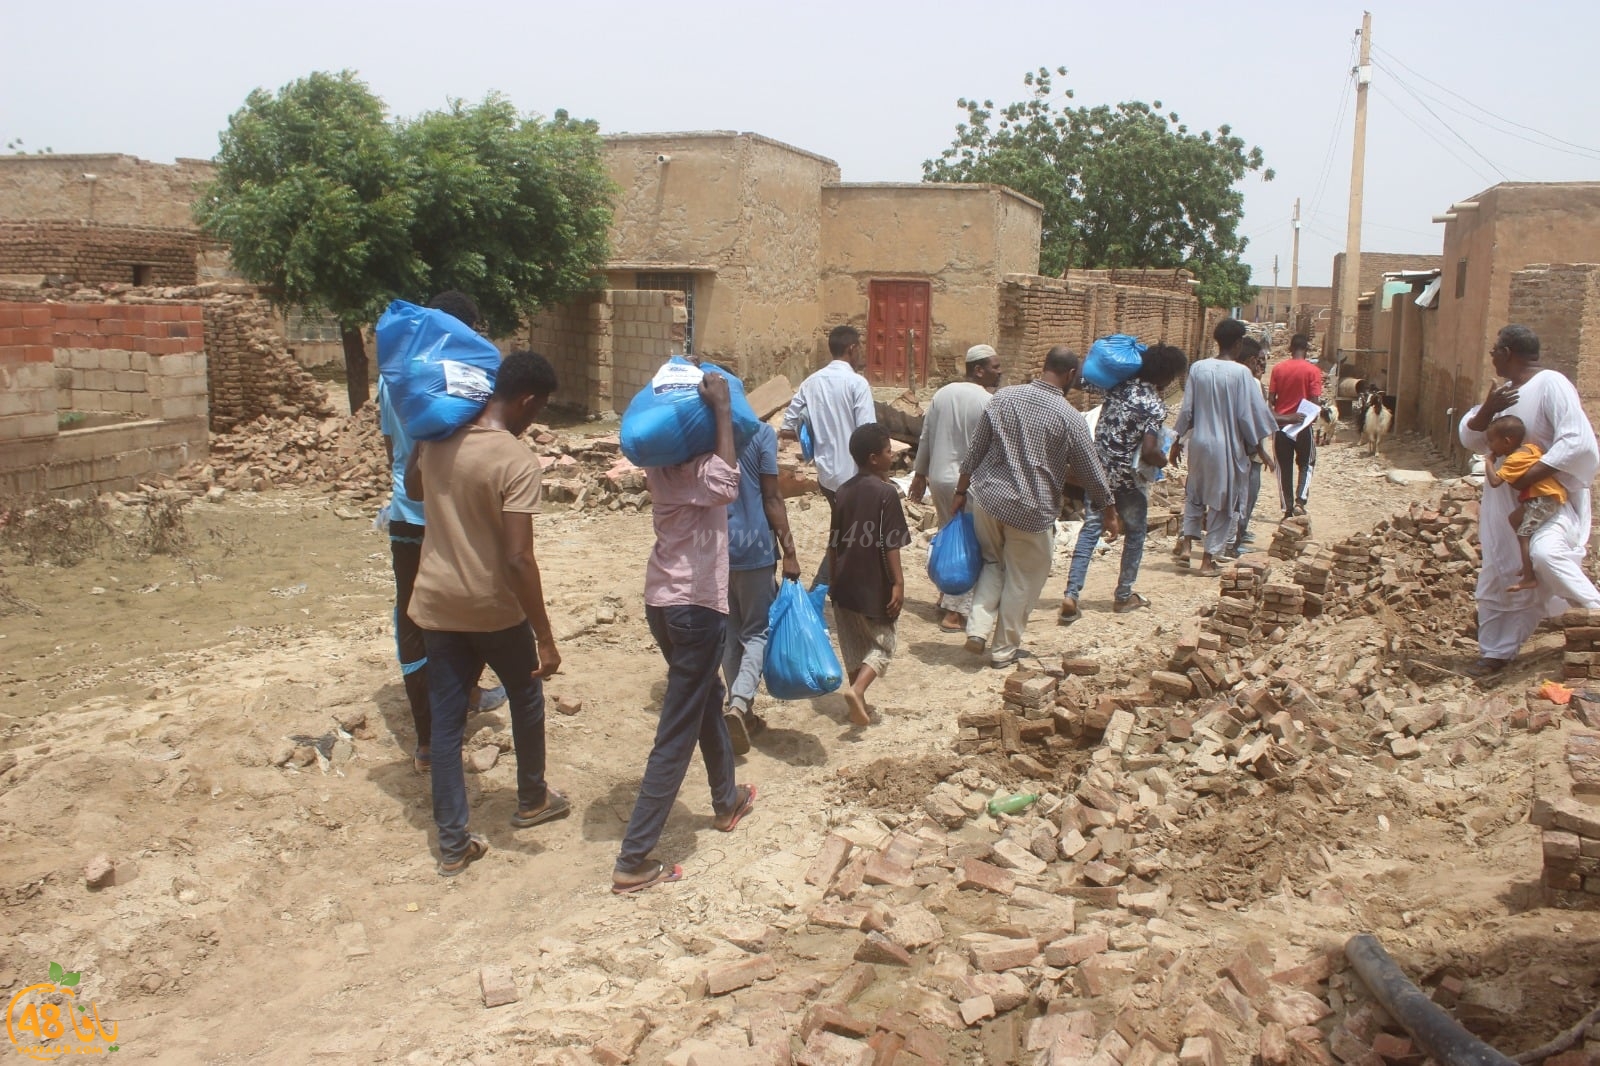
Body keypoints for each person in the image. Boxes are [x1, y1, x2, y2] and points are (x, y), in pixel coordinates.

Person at [405, 351, 566, 877]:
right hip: (494, 609)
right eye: (538, 410)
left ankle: (453, 843)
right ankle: (533, 798)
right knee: (526, 697)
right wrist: (544, 636)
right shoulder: (514, 459)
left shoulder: (437, 438)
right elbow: (519, 558)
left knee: (448, 725)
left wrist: (426, 438)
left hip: (435, 604)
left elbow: (411, 489)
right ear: (527, 400)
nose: (535, 419)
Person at [614, 372, 756, 893]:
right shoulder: (699, 469)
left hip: (663, 602)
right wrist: (721, 410)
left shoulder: (660, 464)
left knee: (705, 698)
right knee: (676, 729)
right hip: (694, 607)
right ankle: (633, 859)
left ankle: (727, 800)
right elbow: (727, 484)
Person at [378, 291, 506, 774]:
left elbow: (390, 443)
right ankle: (454, 711)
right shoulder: (469, 379)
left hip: (406, 515)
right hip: (456, 515)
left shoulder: (393, 376)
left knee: (413, 620)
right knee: (468, 613)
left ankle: (429, 739)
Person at [954, 347, 1117, 668]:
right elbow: (1091, 471)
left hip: (988, 500)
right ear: (1071, 375)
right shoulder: (1070, 418)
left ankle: (977, 629)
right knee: (1023, 578)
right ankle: (1002, 651)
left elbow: (975, 450)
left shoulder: (1003, 398)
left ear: (1044, 366)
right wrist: (1109, 510)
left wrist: (961, 491)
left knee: (992, 563)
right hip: (1031, 509)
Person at [1459, 325, 1600, 675]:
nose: (1491, 356)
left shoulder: (1551, 384)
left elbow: (1577, 441)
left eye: (1495, 351)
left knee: (1546, 555)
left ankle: (1594, 610)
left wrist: (1526, 477)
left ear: (1508, 353)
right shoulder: (1505, 394)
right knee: (1498, 577)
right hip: (1505, 507)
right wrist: (1486, 409)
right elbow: (1472, 439)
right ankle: (1495, 653)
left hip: (1546, 501)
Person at [1060, 344, 1189, 622]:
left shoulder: (1117, 387)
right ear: (1165, 376)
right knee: (1135, 535)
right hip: (1129, 482)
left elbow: (1083, 379)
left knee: (1091, 530)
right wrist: (1163, 462)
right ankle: (1123, 595)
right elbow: (1151, 449)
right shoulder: (1154, 405)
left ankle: (1071, 593)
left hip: (1098, 476)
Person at [1170, 319, 1278, 577]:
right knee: (1224, 502)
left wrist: (1176, 441)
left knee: (1194, 493)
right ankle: (1208, 560)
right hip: (1225, 447)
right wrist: (1261, 451)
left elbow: (1187, 410)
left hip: (1199, 442)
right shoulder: (1242, 374)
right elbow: (1247, 417)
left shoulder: (1198, 368)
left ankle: (1186, 544)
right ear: (1239, 343)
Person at [908, 344, 1002, 631]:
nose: (999, 372)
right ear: (978, 369)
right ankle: (955, 614)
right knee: (972, 544)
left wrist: (919, 474)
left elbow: (926, 436)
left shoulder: (943, 394)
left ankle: (946, 593)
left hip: (939, 479)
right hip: (970, 482)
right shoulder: (988, 401)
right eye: (995, 367)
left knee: (951, 534)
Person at [722, 417, 801, 754]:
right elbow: (771, 497)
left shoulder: (704, 433)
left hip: (713, 549)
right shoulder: (762, 434)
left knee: (729, 633)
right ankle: (739, 704)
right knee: (756, 631)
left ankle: (745, 715)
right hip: (753, 547)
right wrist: (790, 552)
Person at [825, 423, 911, 726]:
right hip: (874, 584)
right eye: (889, 452)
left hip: (844, 584)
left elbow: (833, 542)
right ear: (875, 458)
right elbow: (891, 544)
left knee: (852, 644)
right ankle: (858, 690)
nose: (893, 456)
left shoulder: (843, 491)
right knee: (884, 644)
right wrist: (898, 582)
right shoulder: (886, 494)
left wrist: (833, 581)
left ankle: (857, 701)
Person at [780, 325, 877, 585]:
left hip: (826, 475)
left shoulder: (812, 382)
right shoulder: (857, 383)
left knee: (844, 531)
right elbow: (868, 434)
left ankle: (835, 587)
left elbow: (788, 422)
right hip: (853, 475)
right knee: (850, 535)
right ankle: (821, 589)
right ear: (852, 348)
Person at [1484, 414, 1569, 593]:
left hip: (1542, 499)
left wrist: (1489, 463)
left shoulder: (1512, 460)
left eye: (1491, 441)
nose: (1490, 446)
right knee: (1514, 519)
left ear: (1507, 441)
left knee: (1524, 534)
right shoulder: (1530, 449)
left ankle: (1529, 578)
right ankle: (1527, 563)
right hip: (1542, 497)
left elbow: (1494, 482)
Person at [1268, 333, 1323, 518]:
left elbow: (1271, 400)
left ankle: (1287, 508)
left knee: (1283, 468)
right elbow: (1315, 402)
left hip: (1282, 425)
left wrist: (1281, 416)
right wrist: (1309, 418)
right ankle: (1301, 501)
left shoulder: (1278, 369)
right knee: (1307, 463)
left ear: (1290, 349)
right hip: (1302, 425)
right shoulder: (1313, 371)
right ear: (1306, 350)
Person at [1232, 337, 1269, 552]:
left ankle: (1238, 534)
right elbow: (1254, 417)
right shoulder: (1250, 382)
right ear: (1251, 360)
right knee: (1244, 493)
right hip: (1249, 448)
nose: (1262, 365)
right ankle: (1235, 538)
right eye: (1259, 361)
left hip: (1247, 446)